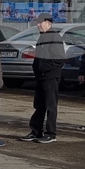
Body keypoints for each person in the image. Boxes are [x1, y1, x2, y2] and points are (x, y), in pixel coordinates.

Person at [20, 13, 65, 144]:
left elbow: (59, 59)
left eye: (40, 22)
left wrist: (44, 69)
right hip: (41, 78)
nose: (38, 25)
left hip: (50, 77)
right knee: (39, 105)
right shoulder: (43, 37)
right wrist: (38, 70)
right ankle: (36, 131)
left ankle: (51, 133)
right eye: (37, 22)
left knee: (50, 105)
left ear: (48, 23)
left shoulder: (54, 37)